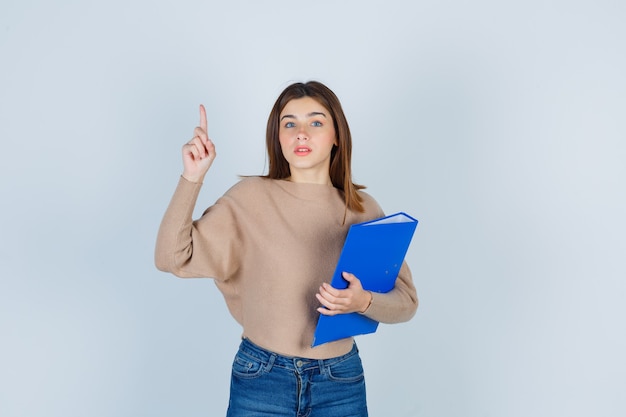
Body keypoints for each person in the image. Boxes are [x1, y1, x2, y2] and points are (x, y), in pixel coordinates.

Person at [155, 81, 418, 417]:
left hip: (340, 382)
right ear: (277, 137)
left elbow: (406, 303)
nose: (301, 133)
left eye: (316, 122)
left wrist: (362, 301)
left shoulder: (364, 209)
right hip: (261, 378)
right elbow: (170, 258)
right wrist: (192, 178)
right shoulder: (249, 198)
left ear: (337, 135)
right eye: (289, 123)